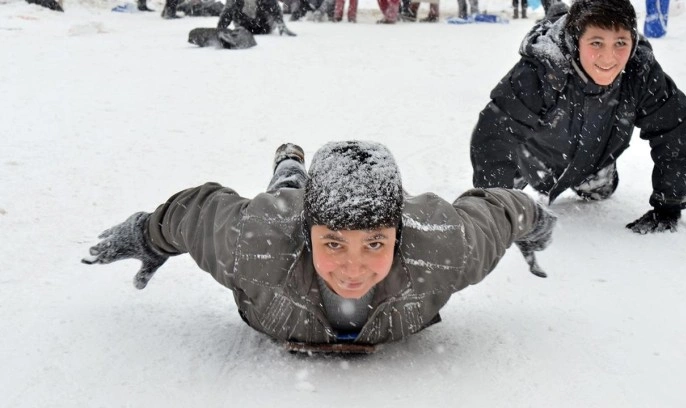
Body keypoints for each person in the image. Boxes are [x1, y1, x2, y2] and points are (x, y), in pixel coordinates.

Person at [82, 141, 556, 346]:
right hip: (288, 212)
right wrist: (148, 236)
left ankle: (298, 182)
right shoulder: (255, 241)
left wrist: (538, 225)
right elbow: (194, 213)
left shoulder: (444, 247)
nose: (353, 268)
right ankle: (291, 168)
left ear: (399, 231)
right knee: (284, 192)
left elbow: (500, 212)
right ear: (308, 236)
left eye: (375, 243)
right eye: (332, 244)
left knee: (290, 199)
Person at [469, 0, 686, 234]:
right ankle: (556, 11)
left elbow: (673, 128)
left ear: (633, 40)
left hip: (594, 160)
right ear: (576, 40)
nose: (609, 58)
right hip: (531, 158)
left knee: (601, 192)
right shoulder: (541, 71)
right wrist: (495, 206)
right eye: (596, 42)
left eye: (620, 43)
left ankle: (591, 176)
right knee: (510, 185)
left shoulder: (641, 71)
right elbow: (495, 132)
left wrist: (669, 205)